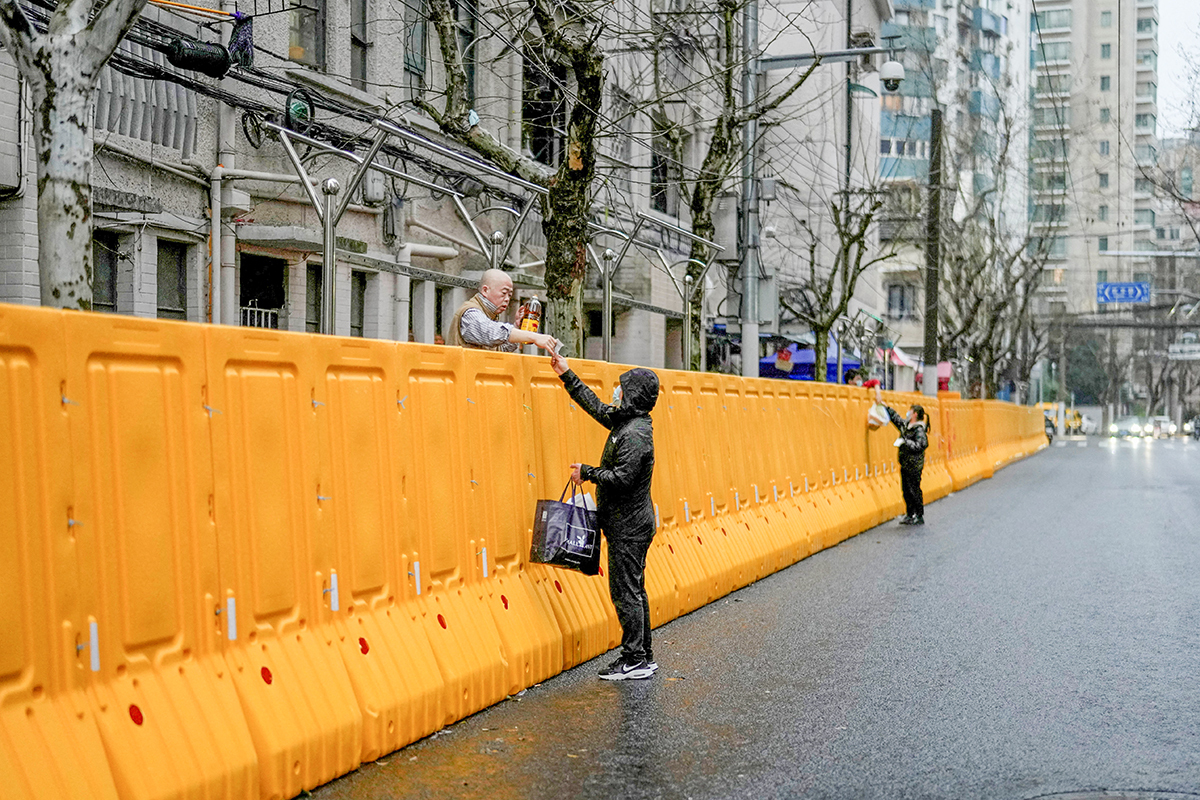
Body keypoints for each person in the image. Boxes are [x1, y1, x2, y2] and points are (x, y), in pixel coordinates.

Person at [550, 349, 660, 681]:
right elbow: (597, 407)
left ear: (633, 395)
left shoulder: (636, 435)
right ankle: (643, 656)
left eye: (621, 388)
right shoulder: (629, 422)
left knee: (625, 591)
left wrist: (588, 472)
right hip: (628, 524)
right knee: (634, 589)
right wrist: (565, 373)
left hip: (630, 528)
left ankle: (634, 659)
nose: (616, 392)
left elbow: (623, 479)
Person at [447, 269, 559, 353]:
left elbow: (500, 349)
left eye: (510, 295)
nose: (507, 299)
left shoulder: (490, 315)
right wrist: (534, 337)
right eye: (504, 293)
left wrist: (517, 327)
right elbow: (491, 333)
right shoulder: (470, 313)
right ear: (485, 290)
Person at [875, 385, 929, 526]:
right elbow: (896, 419)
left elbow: (921, 445)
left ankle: (919, 514)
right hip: (905, 463)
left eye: (910, 411)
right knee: (906, 489)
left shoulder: (919, 429)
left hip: (914, 464)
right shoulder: (906, 426)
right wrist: (885, 407)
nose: (907, 413)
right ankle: (910, 514)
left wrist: (906, 442)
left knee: (914, 489)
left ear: (915, 414)